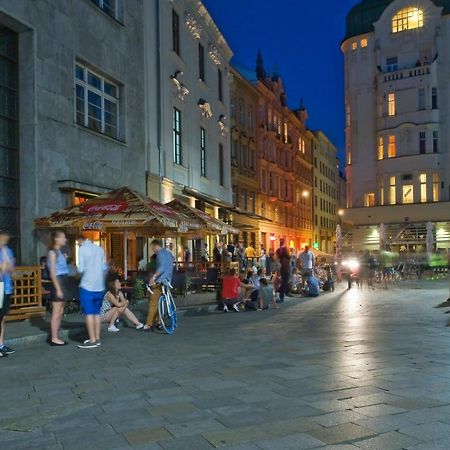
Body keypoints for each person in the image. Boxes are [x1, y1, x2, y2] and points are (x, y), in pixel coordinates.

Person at [77, 236, 107, 349]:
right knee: (96, 313)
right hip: (99, 286)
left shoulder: (82, 249)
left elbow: (81, 269)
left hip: (87, 285)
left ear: (80, 240)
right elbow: (104, 268)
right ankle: (97, 338)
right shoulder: (99, 249)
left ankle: (92, 339)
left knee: (89, 313)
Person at [47, 231, 71, 346]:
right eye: (63, 237)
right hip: (59, 282)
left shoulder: (60, 252)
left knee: (61, 311)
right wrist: (58, 289)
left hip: (63, 281)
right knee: (56, 312)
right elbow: (52, 272)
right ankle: (54, 338)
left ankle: (55, 334)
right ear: (56, 239)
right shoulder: (52, 253)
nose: (65, 239)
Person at [144, 239, 174, 331]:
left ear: (156, 245)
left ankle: (148, 324)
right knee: (158, 301)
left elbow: (161, 267)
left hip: (160, 281)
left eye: (152, 247)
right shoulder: (168, 253)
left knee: (153, 300)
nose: (152, 249)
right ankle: (159, 321)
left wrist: (153, 277)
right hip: (168, 280)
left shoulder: (160, 254)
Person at [0, 230, 15, 357]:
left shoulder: (8, 251)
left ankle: (1, 344)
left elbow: (10, 269)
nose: (5, 241)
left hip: (7, 288)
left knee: (3, 318)